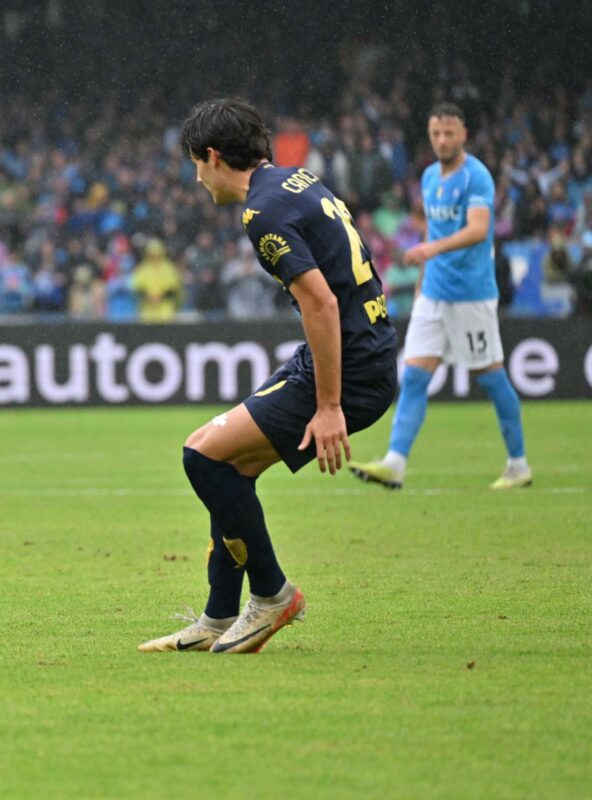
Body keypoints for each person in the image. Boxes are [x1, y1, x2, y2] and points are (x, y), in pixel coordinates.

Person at [139, 99, 397, 654]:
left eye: (194, 162)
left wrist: (329, 407)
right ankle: (216, 616)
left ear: (212, 156)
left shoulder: (263, 213)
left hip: (350, 369)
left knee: (201, 455)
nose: (196, 176)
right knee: (226, 463)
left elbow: (322, 304)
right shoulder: (297, 182)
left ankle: (274, 595)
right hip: (357, 354)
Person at [350, 104, 531, 490]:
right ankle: (395, 462)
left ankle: (518, 464)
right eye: (436, 134)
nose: (443, 140)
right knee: (414, 376)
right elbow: (435, 232)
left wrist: (429, 252)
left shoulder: (476, 176)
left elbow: (478, 230)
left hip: (471, 296)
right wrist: (421, 281)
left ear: (463, 134)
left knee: (491, 376)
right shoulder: (430, 177)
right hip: (434, 293)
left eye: (449, 133)